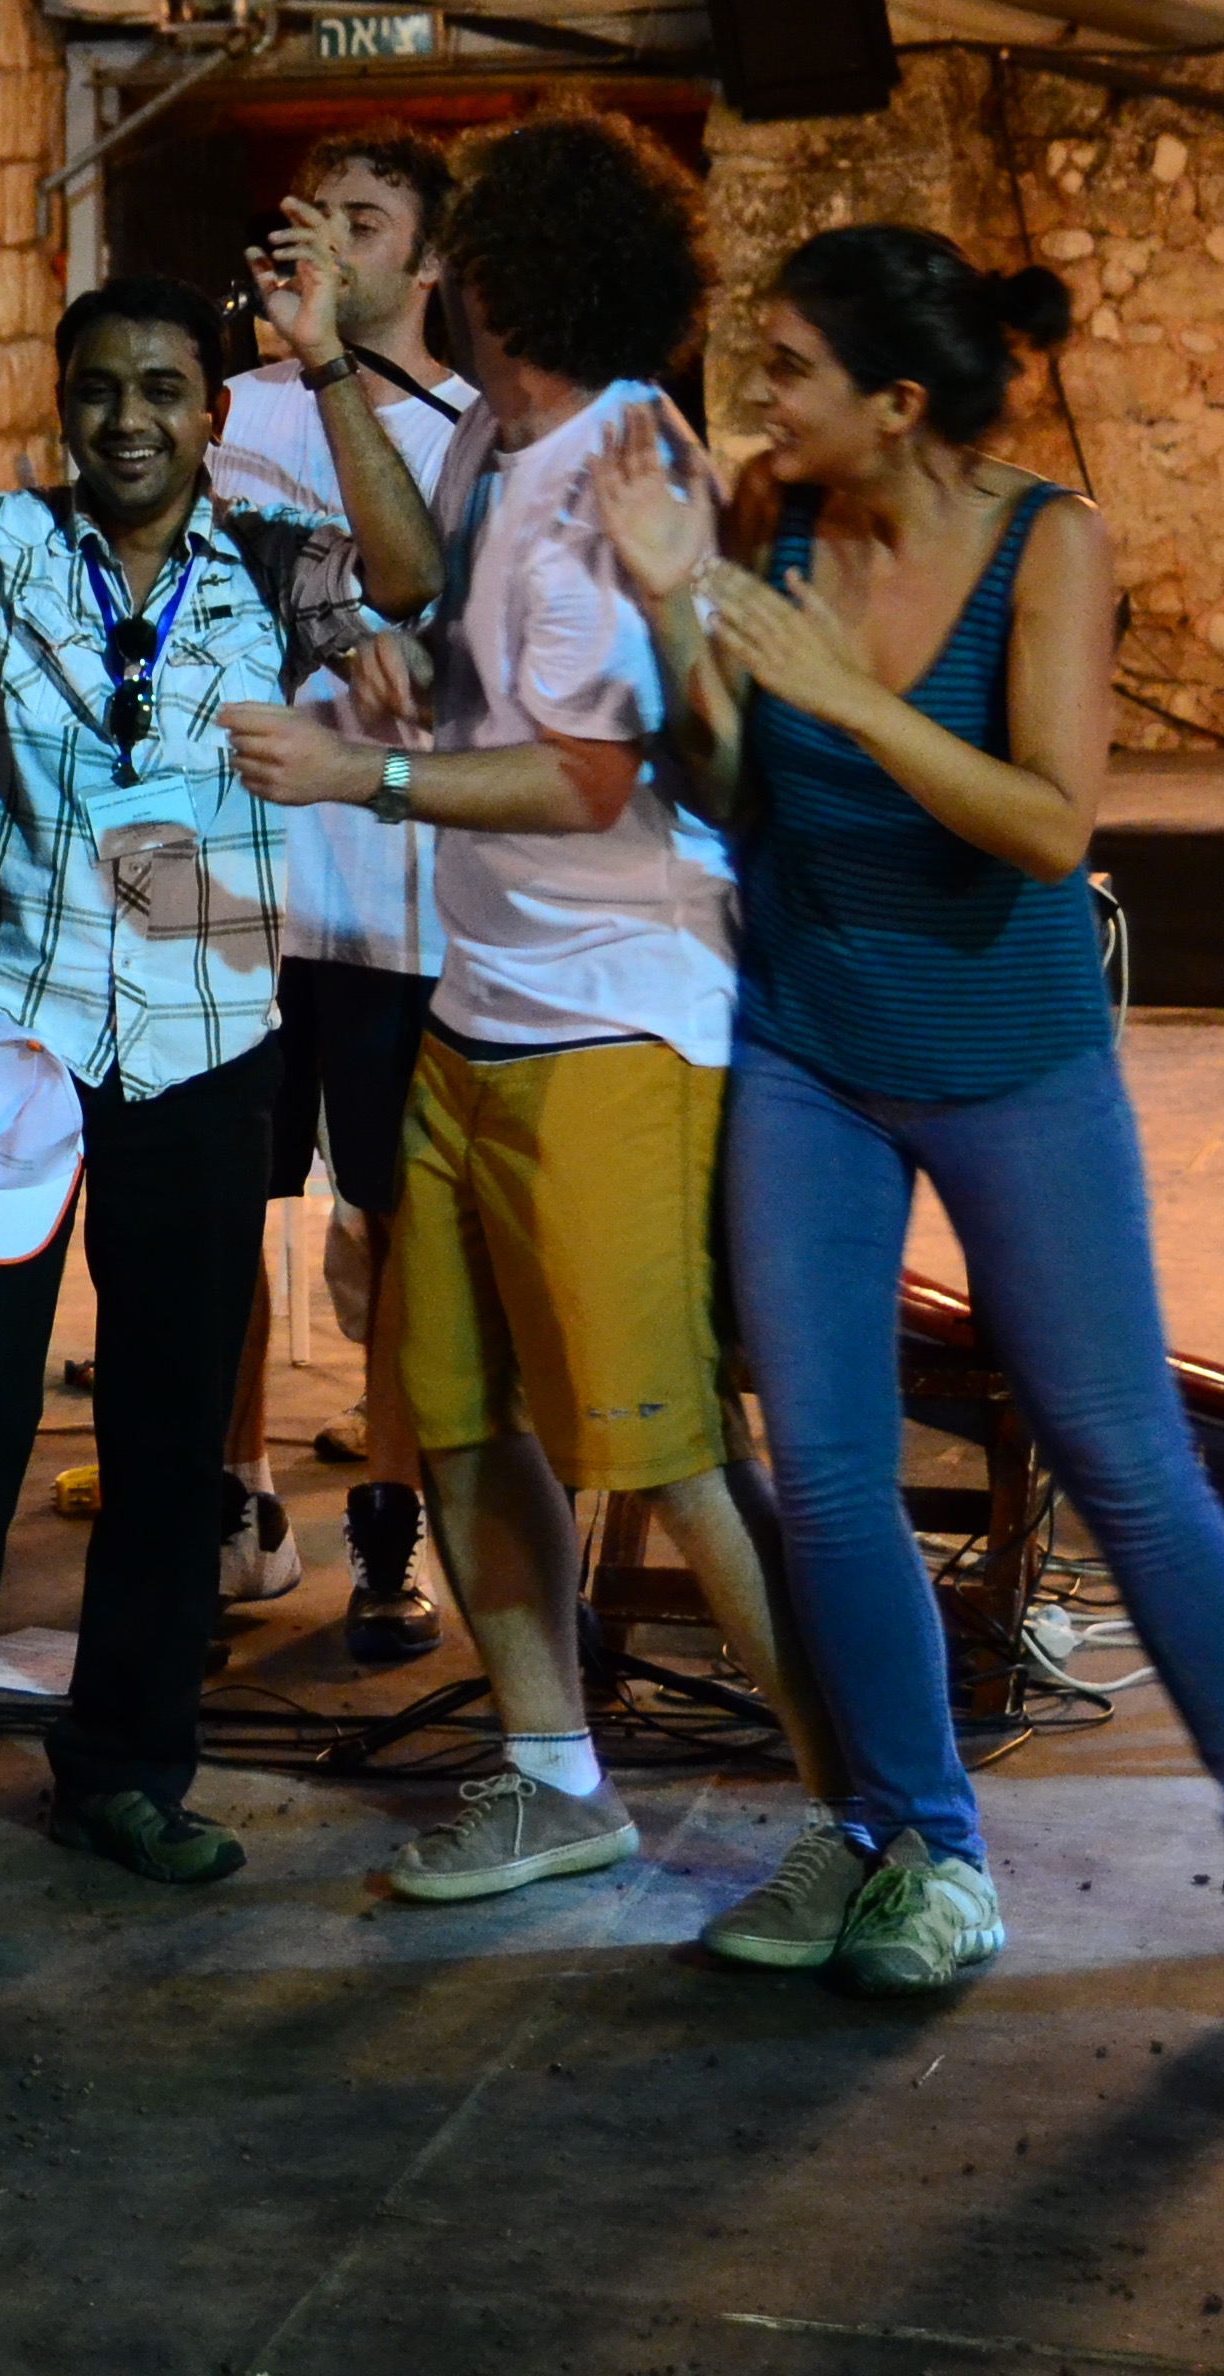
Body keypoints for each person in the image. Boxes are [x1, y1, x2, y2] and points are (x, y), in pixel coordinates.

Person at [595, 222, 1224, 2002]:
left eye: (793, 368)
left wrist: (845, 694)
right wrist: (673, 614)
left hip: (1014, 1059)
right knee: (830, 1477)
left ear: (899, 401)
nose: (759, 397)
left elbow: (1049, 825)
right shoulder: (769, 515)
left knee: (1127, 1459)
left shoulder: (1053, 542)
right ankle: (924, 1849)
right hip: (811, 1048)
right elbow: (725, 793)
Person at [221, 110, 822, 1929]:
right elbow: (412, 577)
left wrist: (366, 775)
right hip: (485, 1007)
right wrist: (339, 392)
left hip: (616, 1022)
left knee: (674, 1456)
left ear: (500, 278)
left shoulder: (618, 469)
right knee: (463, 1419)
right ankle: (556, 1782)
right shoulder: (511, 428)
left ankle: (875, 1822)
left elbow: (584, 781)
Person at [0, 218, 439, 1923]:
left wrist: (327, 360)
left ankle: (127, 1771)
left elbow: (405, 580)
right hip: (11, 1032)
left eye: (163, 389)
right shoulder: (11, 544)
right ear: (65, 407)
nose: (128, 420)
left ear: (209, 413)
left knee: (172, 1437)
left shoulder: (274, 562)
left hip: (207, 1032)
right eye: (98, 391)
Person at [203, 127, 470, 1650]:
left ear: (427, 262)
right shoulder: (226, 410)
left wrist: (407, 648)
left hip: (389, 883)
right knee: (214, 1197)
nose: (330, 239)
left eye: (366, 221)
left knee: (396, 1210)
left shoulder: (469, 433)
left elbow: (461, 627)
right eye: (317, 212)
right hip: (213, 874)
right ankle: (237, 1498)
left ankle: (389, 1522)